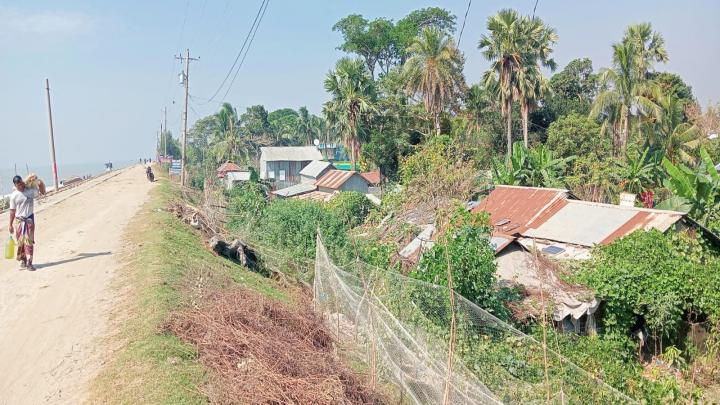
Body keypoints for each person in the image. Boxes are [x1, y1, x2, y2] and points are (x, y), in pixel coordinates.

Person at [8, 175, 46, 271]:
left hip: (29, 220)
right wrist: (10, 224)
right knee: (21, 242)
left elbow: (42, 192)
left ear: (23, 182)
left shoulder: (30, 191)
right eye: (18, 185)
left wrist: (40, 183)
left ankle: (29, 263)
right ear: (15, 185)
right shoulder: (13, 196)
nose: (20, 186)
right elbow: (12, 211)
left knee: (28, 242)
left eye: (21, 184)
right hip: (19, 221)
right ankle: (23, 259)